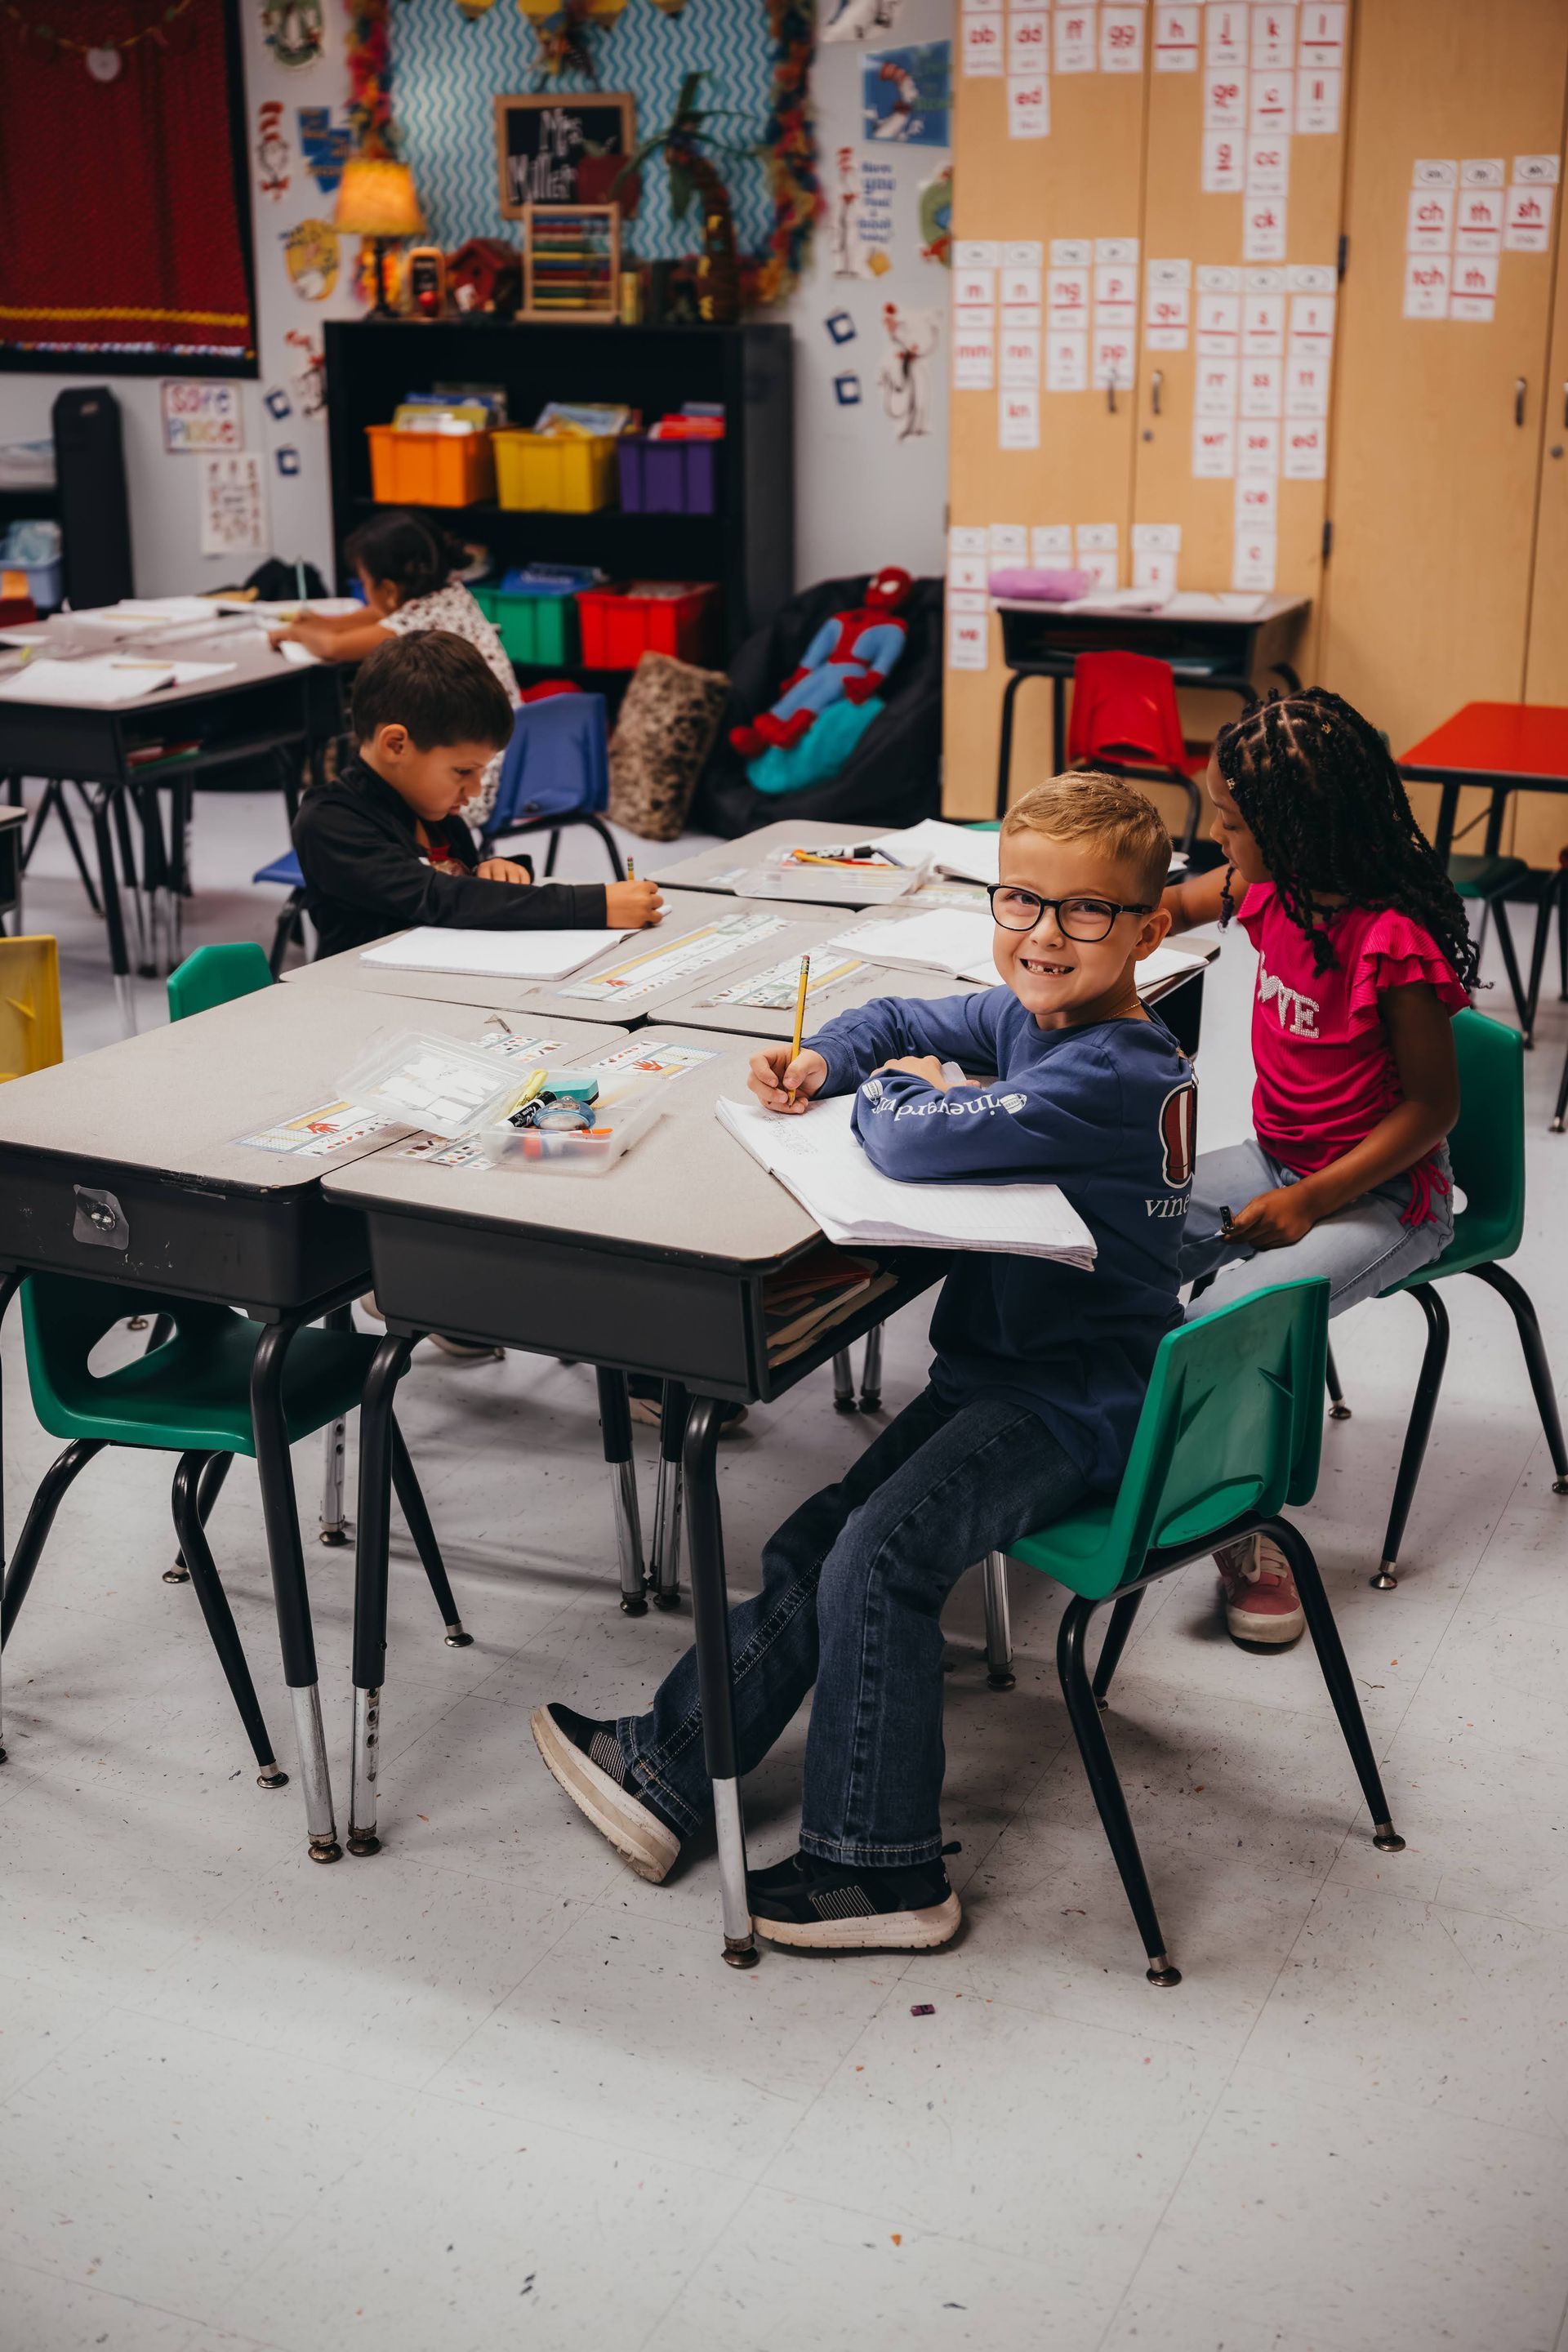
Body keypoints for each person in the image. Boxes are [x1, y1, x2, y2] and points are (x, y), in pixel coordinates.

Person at [532, 773, 1197, 1953]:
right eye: (1022, 902)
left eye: (1086, 913)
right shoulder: (1035, 1021)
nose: (1044, 935)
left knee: (878, 1558)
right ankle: (670, 1765)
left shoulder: (1111, 1073)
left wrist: (898, 1093)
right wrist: (827, 1064)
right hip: (1009, 1375)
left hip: (1076, 1401)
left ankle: (879, 1871)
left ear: (1152, 928)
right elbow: (890, 1020)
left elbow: (902, 1126)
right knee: (819, 1539)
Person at [1165, 687, 1472, 1650]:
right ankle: (1125, 1443)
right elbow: (1170, 907)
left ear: (1297, 832)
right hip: (1275, 1162)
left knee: (1231, 1321)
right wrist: (1081, 911)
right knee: (1117, 1232)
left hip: (1382, 1199)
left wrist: (1307, 1202)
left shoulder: (1392, 941)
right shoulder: (1263, 890)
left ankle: (1245, 1536)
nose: (1216, 831)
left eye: (1231, 819)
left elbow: (1434, 1108)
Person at [293, 630, 662, 961]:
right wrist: (594, 906)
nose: (475, 790)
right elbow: (441, 899)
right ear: (396, 745)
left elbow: (460, 895)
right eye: (463, 771)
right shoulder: (329, 821)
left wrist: (487, 872)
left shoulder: (433, 811)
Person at [271, 510, 517, 822]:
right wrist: (322, 622)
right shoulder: (450, 596)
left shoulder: (416, 623)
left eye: (365, 583)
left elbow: (334, 649)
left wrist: (295, 631)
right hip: (500, 761)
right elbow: (377, 615)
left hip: (468, 779)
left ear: (388, 589)